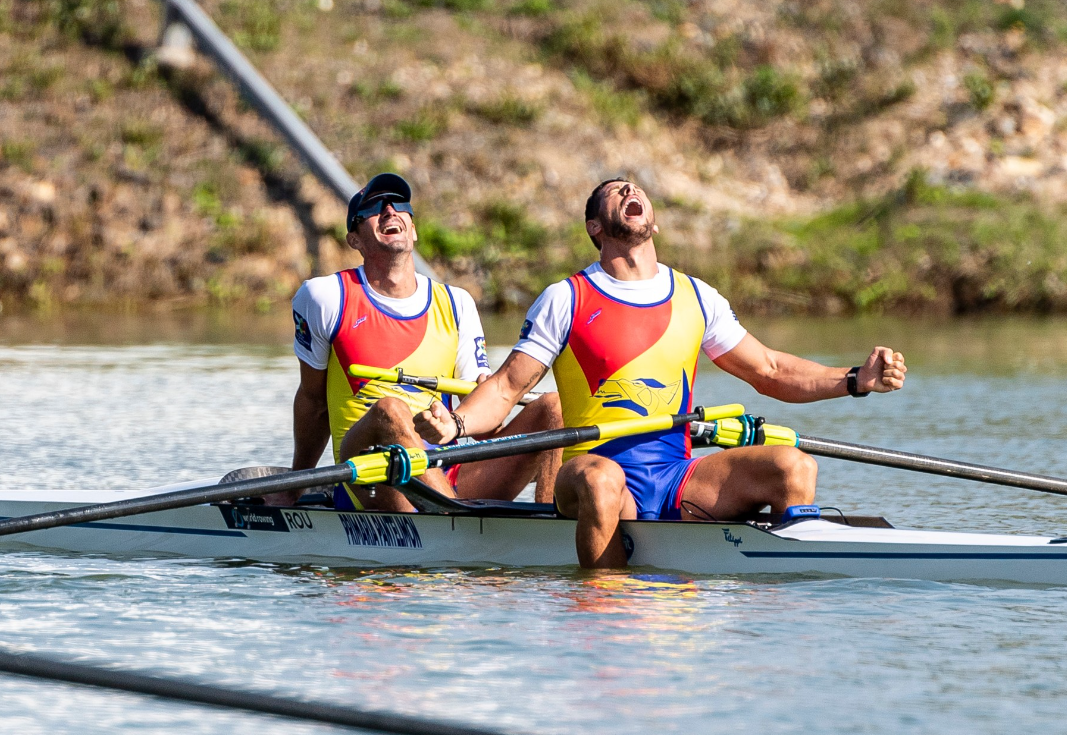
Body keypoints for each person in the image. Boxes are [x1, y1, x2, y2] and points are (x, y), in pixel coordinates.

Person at [416, 178, 907, 567]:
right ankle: (606, 606)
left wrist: (855, 380)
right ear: (595, 227)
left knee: (794, 465)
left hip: (676, 476)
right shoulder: (566, 298)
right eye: (614, 191)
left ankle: (775, 603)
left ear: (653, 219)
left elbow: (770, 370)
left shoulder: (697, 296)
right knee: (601, 480)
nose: (630, 191)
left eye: (635, 188)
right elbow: (506, 387)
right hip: (591, 471)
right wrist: (456, 425)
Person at [266, 173, 561, 509]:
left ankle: (552, 521)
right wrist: (296, 482)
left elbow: (487, 415)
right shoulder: (325, 297)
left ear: (414, 229)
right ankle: (455, 524)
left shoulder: (456, 302)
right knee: (391, 410)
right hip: (369, 475)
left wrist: (465, 430)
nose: (390, 211)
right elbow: (312, 401)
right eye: (375, 209)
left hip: (449, 472)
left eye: (400, 205)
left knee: (552, 407)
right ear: (354, 240)